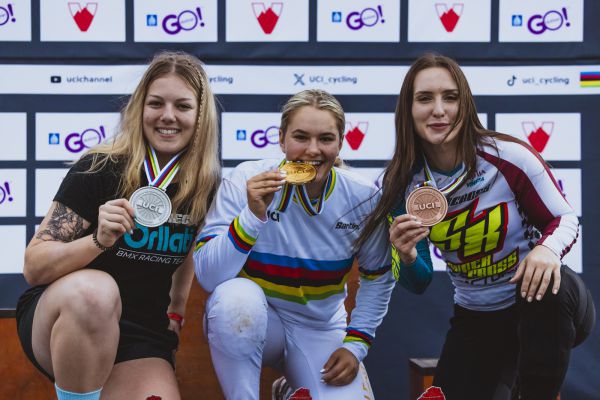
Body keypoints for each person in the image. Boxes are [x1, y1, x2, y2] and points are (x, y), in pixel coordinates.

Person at [358, 54, 595, 400]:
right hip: (477, 318)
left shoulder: (509, 156)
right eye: (425, 98)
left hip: (542, 304)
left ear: (465, 104)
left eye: (450, 97)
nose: (439, 110)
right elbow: (419, 282)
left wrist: (546, 250)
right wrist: (405, 255)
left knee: (546, 290)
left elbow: (564, 218)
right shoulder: (399, 184)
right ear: (408, 109)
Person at [194, 89, 425, 399]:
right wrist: (252, 216)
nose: (312, 150)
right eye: (300, 137)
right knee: (235, 299)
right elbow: (209, 277)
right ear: (281, 139)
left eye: (326, 139)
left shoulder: (363, 197)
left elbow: (378, 276)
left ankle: (292, 389)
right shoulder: (244, 180)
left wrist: (355, 345)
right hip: (257, 321)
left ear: (340, 143)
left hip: (319, 327)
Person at [16, 51, 220, 400]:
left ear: (201, 116)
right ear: (140, 108)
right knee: (96, 292)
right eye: (156, 103)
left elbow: (187, 251)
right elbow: (34, 267)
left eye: (183, 106)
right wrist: (97, 240)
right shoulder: (99, 168)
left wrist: (176, 313)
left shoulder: (204, 185)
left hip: (140, 333)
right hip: (68, 318)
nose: (168, 115)